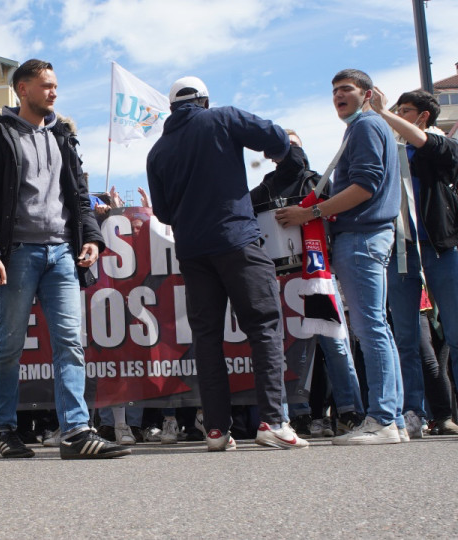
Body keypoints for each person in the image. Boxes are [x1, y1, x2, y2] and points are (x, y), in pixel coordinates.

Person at [0, 58, 127, 459]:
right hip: (18, 253)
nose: (54, 92)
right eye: (46, 86)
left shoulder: (65, 136)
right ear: (23, 89)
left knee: (71, 343)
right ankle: (5, 429)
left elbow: (79, 195)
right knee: (9, 346)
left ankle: (75, 432)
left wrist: (91, 237)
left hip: (62, 254)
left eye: (55, 85)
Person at [146, 75, 307, 451]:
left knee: (207, 338)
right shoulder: (222, 118)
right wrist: (285, 154)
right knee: (264, 327)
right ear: (203, 100)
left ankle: (216, 430)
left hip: (192, 249)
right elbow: (275, 136)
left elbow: (165, 211)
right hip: (236, 240)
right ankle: (272, 422)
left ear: (172, 108)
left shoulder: (158, 151)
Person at [277, 69, 403, 445]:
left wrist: (311, 214)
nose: (337, 96)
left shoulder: (365, 127)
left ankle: (382, 419)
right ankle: (391, 416)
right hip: (367, 236)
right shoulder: (366, 127)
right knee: (376, 328)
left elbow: (365, 186)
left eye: (346, 89)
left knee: (369, 330)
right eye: (333, 91)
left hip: (361, 236)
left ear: (367, 94)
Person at [250, 131, 366, 435]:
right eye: (282, 145)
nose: (289, 152)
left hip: (318, 274)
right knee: (293, 351)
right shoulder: (263, 189)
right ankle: (298, 413)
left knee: (335, 345)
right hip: (283, 278)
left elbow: (342, 215)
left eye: (294, 144)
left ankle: (349, 410)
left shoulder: (320, 182)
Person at [370, 87, 458, 437]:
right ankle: (413, 413)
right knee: (406, 338)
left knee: (454, 333)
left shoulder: (441, 145)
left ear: (422, 117)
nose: (395, 115)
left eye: (403, 111)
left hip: (441, 249)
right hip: (400, 253)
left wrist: (382, 112)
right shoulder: (391, 151)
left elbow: (427, 144)